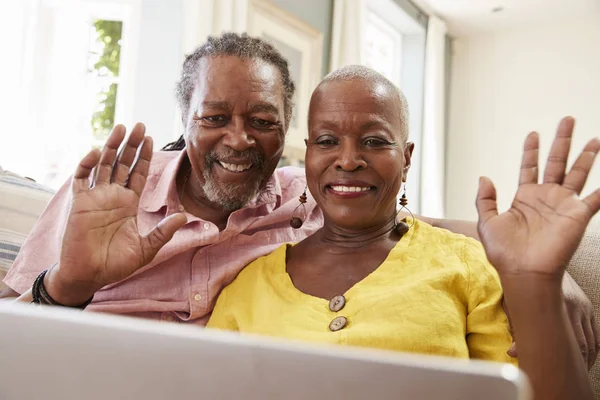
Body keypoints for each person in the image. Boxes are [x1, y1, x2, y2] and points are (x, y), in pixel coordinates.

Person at [0, 33, 596, 365]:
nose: (238, 139)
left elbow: (399, 223)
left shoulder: (300, 195)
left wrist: (547, 276)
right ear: (184, 118)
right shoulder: (105, 199)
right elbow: (13, 340)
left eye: (261, 120)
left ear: (287, 132)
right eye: (214, 117)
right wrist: (67, 286)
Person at [207, 65, 599, 399]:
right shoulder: (248, 287)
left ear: (406, 158)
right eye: (327, 142)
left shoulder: (465, 264)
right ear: (308, 153)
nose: (347, 160)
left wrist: (537, 282)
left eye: (374, 142)